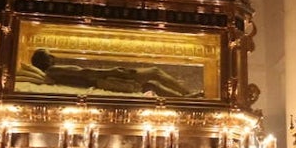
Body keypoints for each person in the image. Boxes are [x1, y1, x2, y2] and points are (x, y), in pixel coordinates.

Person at [24, 48, 195, 98]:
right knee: (154, 72)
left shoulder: (53, 72)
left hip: (101, 80)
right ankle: (186, 94)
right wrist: (110, 70)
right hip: (104, 78)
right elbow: (84, 72)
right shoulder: (53, 70)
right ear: (45, 60)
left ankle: (183, 98)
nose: (53, 55)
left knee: (150, 85)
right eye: (49, 54)